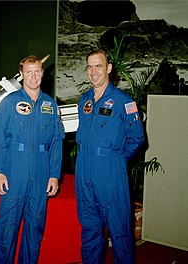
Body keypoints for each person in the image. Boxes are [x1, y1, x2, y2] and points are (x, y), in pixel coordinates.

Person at [0, 55, 65, 264]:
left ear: (43, 73)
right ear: (21, 74)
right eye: (29, 72)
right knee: (7, 230)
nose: (33, 77)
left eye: (37, 71)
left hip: (41, 175)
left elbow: (57, 141)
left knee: (34, 232)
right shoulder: (9, 103)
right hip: (14, 174)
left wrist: (53, 175)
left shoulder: (50, 105)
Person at [74, 49, 144, 263]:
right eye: (90, 66)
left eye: (99, 66)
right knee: (90, 229)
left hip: (110, 171)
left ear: (109, 69)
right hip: (84, 170)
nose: (94, 72)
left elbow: (137, 138)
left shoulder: (123, 101)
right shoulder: (84, 100)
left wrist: (117, 160)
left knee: (119, 231)